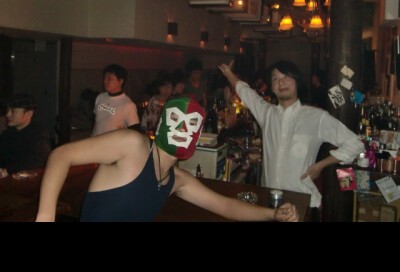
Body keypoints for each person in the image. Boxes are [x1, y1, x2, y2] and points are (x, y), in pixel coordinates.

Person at [35, 97, 298, 222]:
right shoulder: (133, 146)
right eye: (175, 119)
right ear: (161, 123)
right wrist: (45, 216)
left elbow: (225, 206)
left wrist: (273, 214)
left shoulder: (177, 180)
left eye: (191, 125)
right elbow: (61, 155)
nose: (183, 129)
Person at [219, 60, 364, 219]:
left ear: (297, 82)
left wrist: (321, 165)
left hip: (302, 202)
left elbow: (355, 144)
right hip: (271, 203)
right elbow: (245, 91)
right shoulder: (266, 113)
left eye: (286, 77)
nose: (281, 82)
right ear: (271, 87)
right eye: (275, 79)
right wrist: (228, 73)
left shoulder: (316, 117)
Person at [0, 93, 51, 177]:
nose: (7, 114)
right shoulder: (7, 134)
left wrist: (8, 171)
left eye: (13, 111)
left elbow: (37, 161)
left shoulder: (38, 134)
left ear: (28, 114)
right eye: (7, 110)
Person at [91, 64, 139, 136]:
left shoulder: (128, 105)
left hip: (113, 142)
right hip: (95, 140)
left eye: (109, 79)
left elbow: (134, 131)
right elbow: (95, 120)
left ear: (120, 81)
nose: (105, 81)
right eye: (105, 78)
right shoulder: (100, 97)